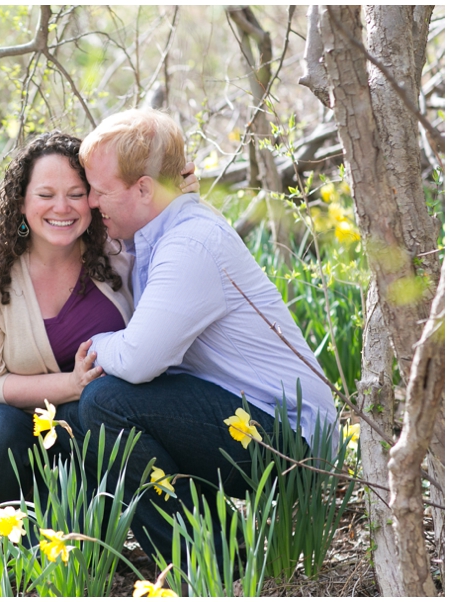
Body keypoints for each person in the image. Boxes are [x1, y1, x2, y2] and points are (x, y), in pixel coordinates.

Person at [75, 108, 338, 572]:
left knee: (106, 402)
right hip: (255, 419)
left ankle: (206, 561)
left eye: (99, 190)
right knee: (116, 401)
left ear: (142, 189)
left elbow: (138, 361)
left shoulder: (189, 244)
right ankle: (218, 544)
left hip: (292, 442)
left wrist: (95, 343)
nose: (92, 202)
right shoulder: (162, 230)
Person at [0, 131, 198, 584]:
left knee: (103, 408)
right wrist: (70, 385)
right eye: (45, 194)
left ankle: (107, 539)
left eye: (76, 194)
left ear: (94, 198)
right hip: (22, 428)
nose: (61, 208)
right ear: (20, 203)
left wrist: (174, 191)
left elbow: (167, 226)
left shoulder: (117, 250)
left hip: (97, 426)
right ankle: (7, 545)